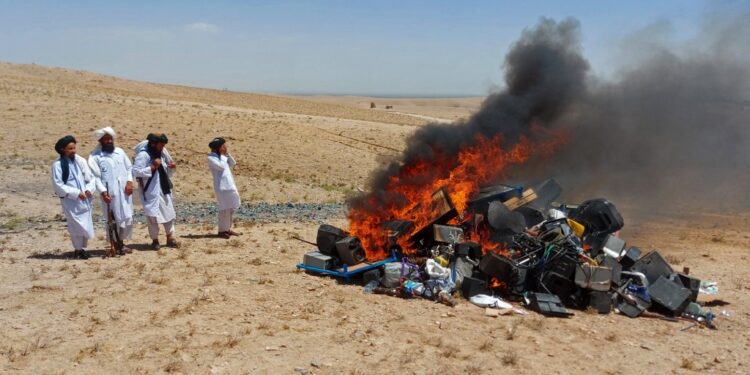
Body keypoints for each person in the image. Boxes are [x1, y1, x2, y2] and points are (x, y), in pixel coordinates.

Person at [88, 127, 134, 254]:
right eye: (106, 139)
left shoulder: (120, 152)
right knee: (112, 219)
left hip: (124, 192)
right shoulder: (95, 157)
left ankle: (122, 243)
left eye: (110, 139)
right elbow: (95, 177)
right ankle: (113, 244)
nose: (109, 141)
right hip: (109, 194)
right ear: (101, 141)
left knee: (126, 217)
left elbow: (129, 168)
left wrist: (129, 182)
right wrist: (103, 191)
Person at [51, 135, 96, 259]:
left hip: (85, 200)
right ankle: (77, 250)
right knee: (75, 225)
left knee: (85, 224)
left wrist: (88, 190)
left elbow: (90, 178)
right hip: (70, 201)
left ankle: (81, 249)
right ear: (62, 150)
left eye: (74, 148)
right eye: (70, 149)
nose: (73, 151)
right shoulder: (58, 165)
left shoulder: (80, 160)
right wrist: (76, 193)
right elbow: (58, 185)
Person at [132, 133, 179, 250]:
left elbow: (165, 166)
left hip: (163, 188)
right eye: (160, 145)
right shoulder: (143, 155)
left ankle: (170, 237)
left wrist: (170, 166)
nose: (162, 147)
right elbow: (136, 171)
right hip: (150, 191)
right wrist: (152, 167)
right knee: (152, 216)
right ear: (153, 144)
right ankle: (155, 240)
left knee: (169, 213)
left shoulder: (162, 153)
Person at [207, 137, 242, 238]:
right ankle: (222, 231)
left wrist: (226, 154)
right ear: (218, 148)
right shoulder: (211, 158)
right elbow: (221, 166)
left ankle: (227, 228)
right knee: (224, 209)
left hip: (230, 186)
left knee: (231, 208)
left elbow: (232, 163)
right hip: (221, 188)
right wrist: (222, 155)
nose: (225, 147)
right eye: (223, 146)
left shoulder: (222, 157)